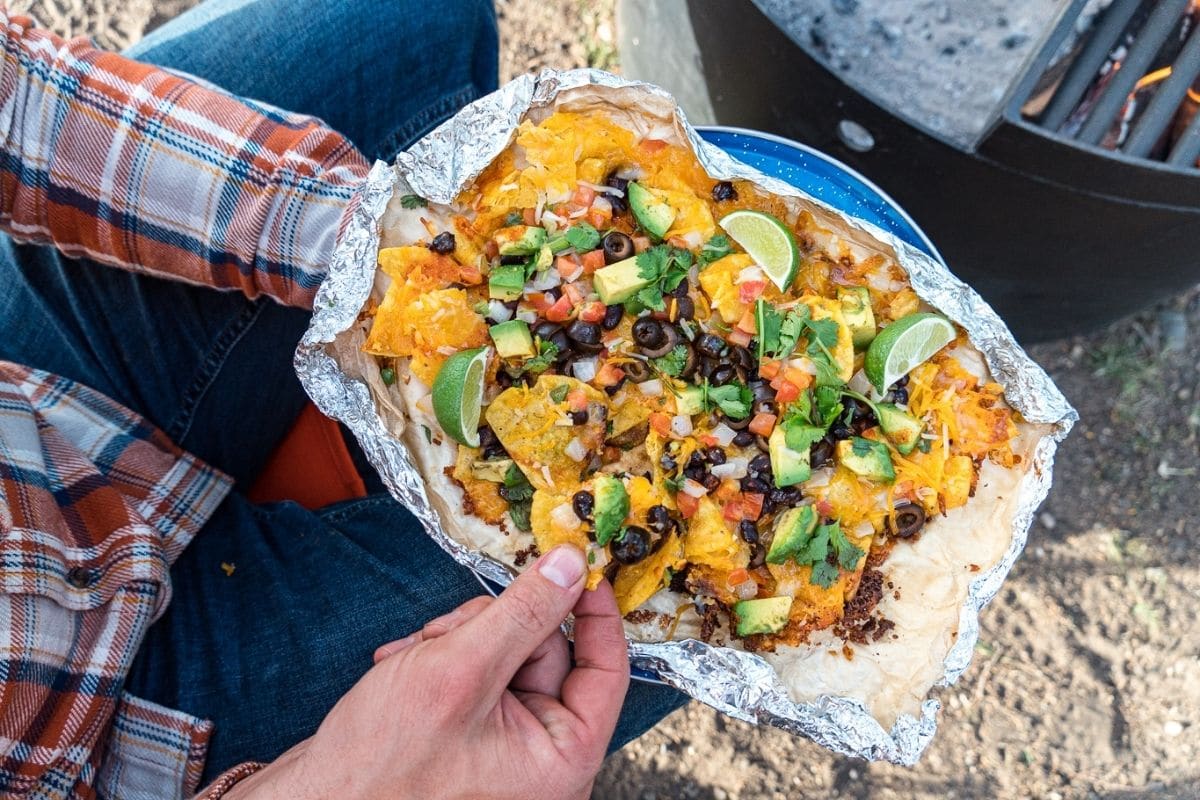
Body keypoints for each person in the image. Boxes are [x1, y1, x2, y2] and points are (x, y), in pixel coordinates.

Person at [0, 1, 688, 797]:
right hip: (109, 732)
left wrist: (394, 262)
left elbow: (18, 99)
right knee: (653, 632)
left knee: (410, 28)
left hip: (48, 413)